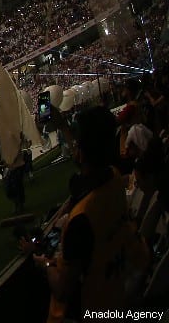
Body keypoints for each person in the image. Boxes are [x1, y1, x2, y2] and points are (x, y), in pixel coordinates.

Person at [27, 106, 151, 321]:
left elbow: (63, 289)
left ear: (81, 152)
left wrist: (44, 262)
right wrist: (64, 127)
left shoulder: (81, 218)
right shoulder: (114, 179)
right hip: (118, 297)